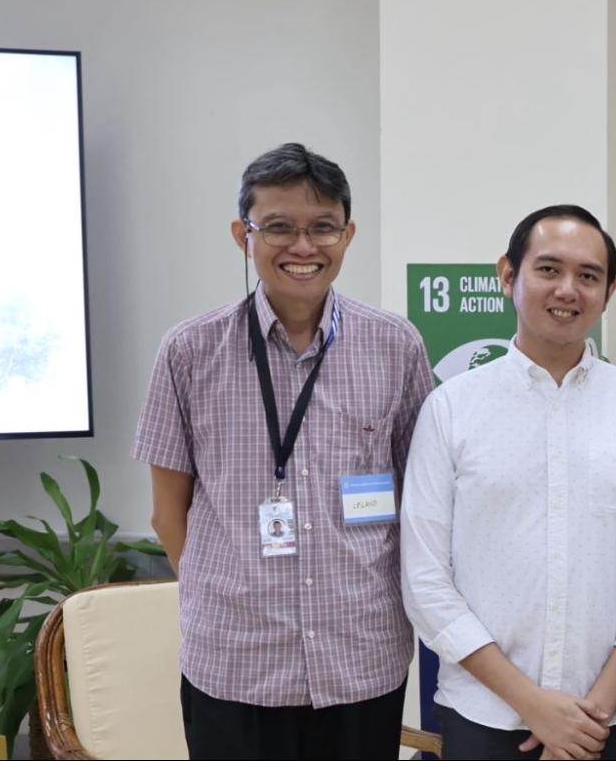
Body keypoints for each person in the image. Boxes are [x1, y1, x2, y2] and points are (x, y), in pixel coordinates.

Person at [135, 142, 433, 759]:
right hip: (235, 661)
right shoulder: (190, 351)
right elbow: (168, 514)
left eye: (322, 227)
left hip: (361, 658)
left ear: (348, 235)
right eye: (279, 228)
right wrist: (230, 599)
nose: (303, 247)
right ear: (243, 234)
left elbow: (419, 500)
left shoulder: (395, 346)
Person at [401, 205, 616, 760]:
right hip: (484, 716)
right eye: (549, 270)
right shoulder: (451, 409)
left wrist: (592, 714)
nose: (568, 290)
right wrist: (534, 705)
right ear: (508, 276)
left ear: (609, 292)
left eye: (588, 276)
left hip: (611, 721)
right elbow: (426, 581)